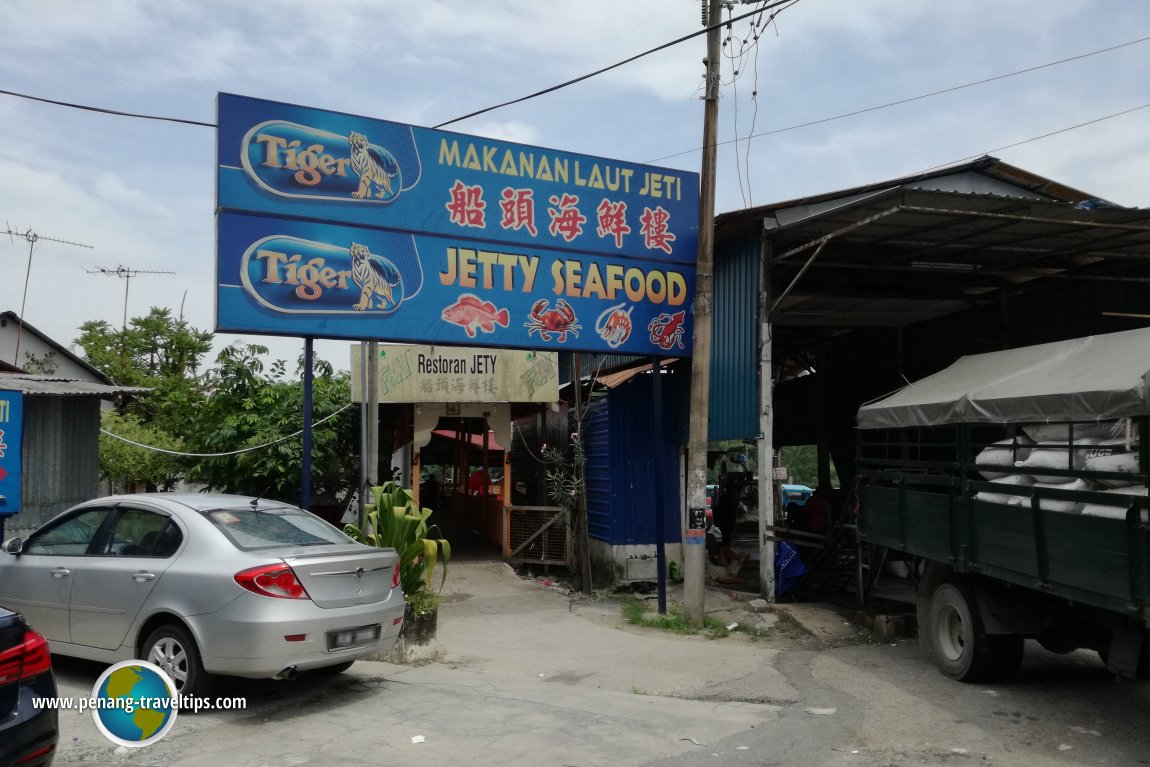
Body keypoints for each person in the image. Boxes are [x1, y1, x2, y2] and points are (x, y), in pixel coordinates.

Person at [714, 480, 739, 550]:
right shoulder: (728, 498)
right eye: (734, 489)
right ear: (731, 489)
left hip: (725, 522)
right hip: (726, 523)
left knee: (726, 539)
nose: (735, 491)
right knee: (726, 540)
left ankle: (725, 554)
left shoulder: (725, 497)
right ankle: (724, 555)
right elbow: (728, 511)